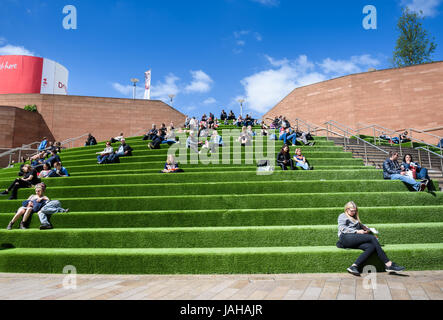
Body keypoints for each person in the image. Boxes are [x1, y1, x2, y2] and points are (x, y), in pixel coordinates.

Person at [337, 201, 405, 275]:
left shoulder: (355, 217)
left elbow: (361, 225)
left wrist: (366, 228)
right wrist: (357, 231)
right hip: (345, 238)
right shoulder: (343, 216)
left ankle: (354, 266)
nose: (354, 212)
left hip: (353, 239)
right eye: (352, 210)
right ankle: (388, 264)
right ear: (347, 209)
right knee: (372, 238)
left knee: (371, 247)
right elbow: (342, 228)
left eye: (355, 211)